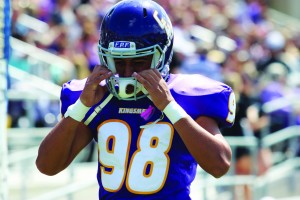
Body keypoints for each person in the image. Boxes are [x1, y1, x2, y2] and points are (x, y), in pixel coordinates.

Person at [36, 0, 235, 199]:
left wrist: (169, 107)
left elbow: (220, 165)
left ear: (162, 57)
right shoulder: (98, 97)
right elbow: (47, 166)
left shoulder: (185, 96)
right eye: (119, 62)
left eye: (139, 62)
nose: (127, 72)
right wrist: (81, 107)